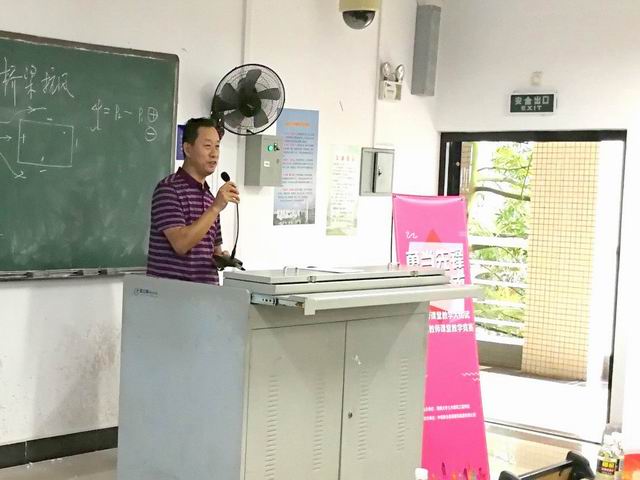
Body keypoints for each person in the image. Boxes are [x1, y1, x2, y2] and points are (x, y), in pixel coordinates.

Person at [146, 117, 240, 285]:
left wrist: (222, 257)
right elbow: (181, 244)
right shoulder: (168, 189)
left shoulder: (210, 197)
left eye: (217, 146)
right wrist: (215, 208)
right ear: (188, 149)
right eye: (207, 146)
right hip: (173, 294)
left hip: (206, 293)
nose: (214, 154)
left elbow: (213, 250)